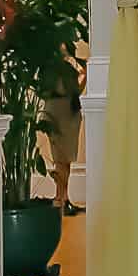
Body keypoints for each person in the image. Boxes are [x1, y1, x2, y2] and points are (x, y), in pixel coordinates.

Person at [45, 59, 86, 215]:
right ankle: (61, 199)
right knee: (61, 159)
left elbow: (75, 92)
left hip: (68, 115)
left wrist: (85, 73)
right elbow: (71, 91)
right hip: (59, 114)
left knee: (64, 160)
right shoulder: (52, 70)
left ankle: (62, 198)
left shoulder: (66, 69)